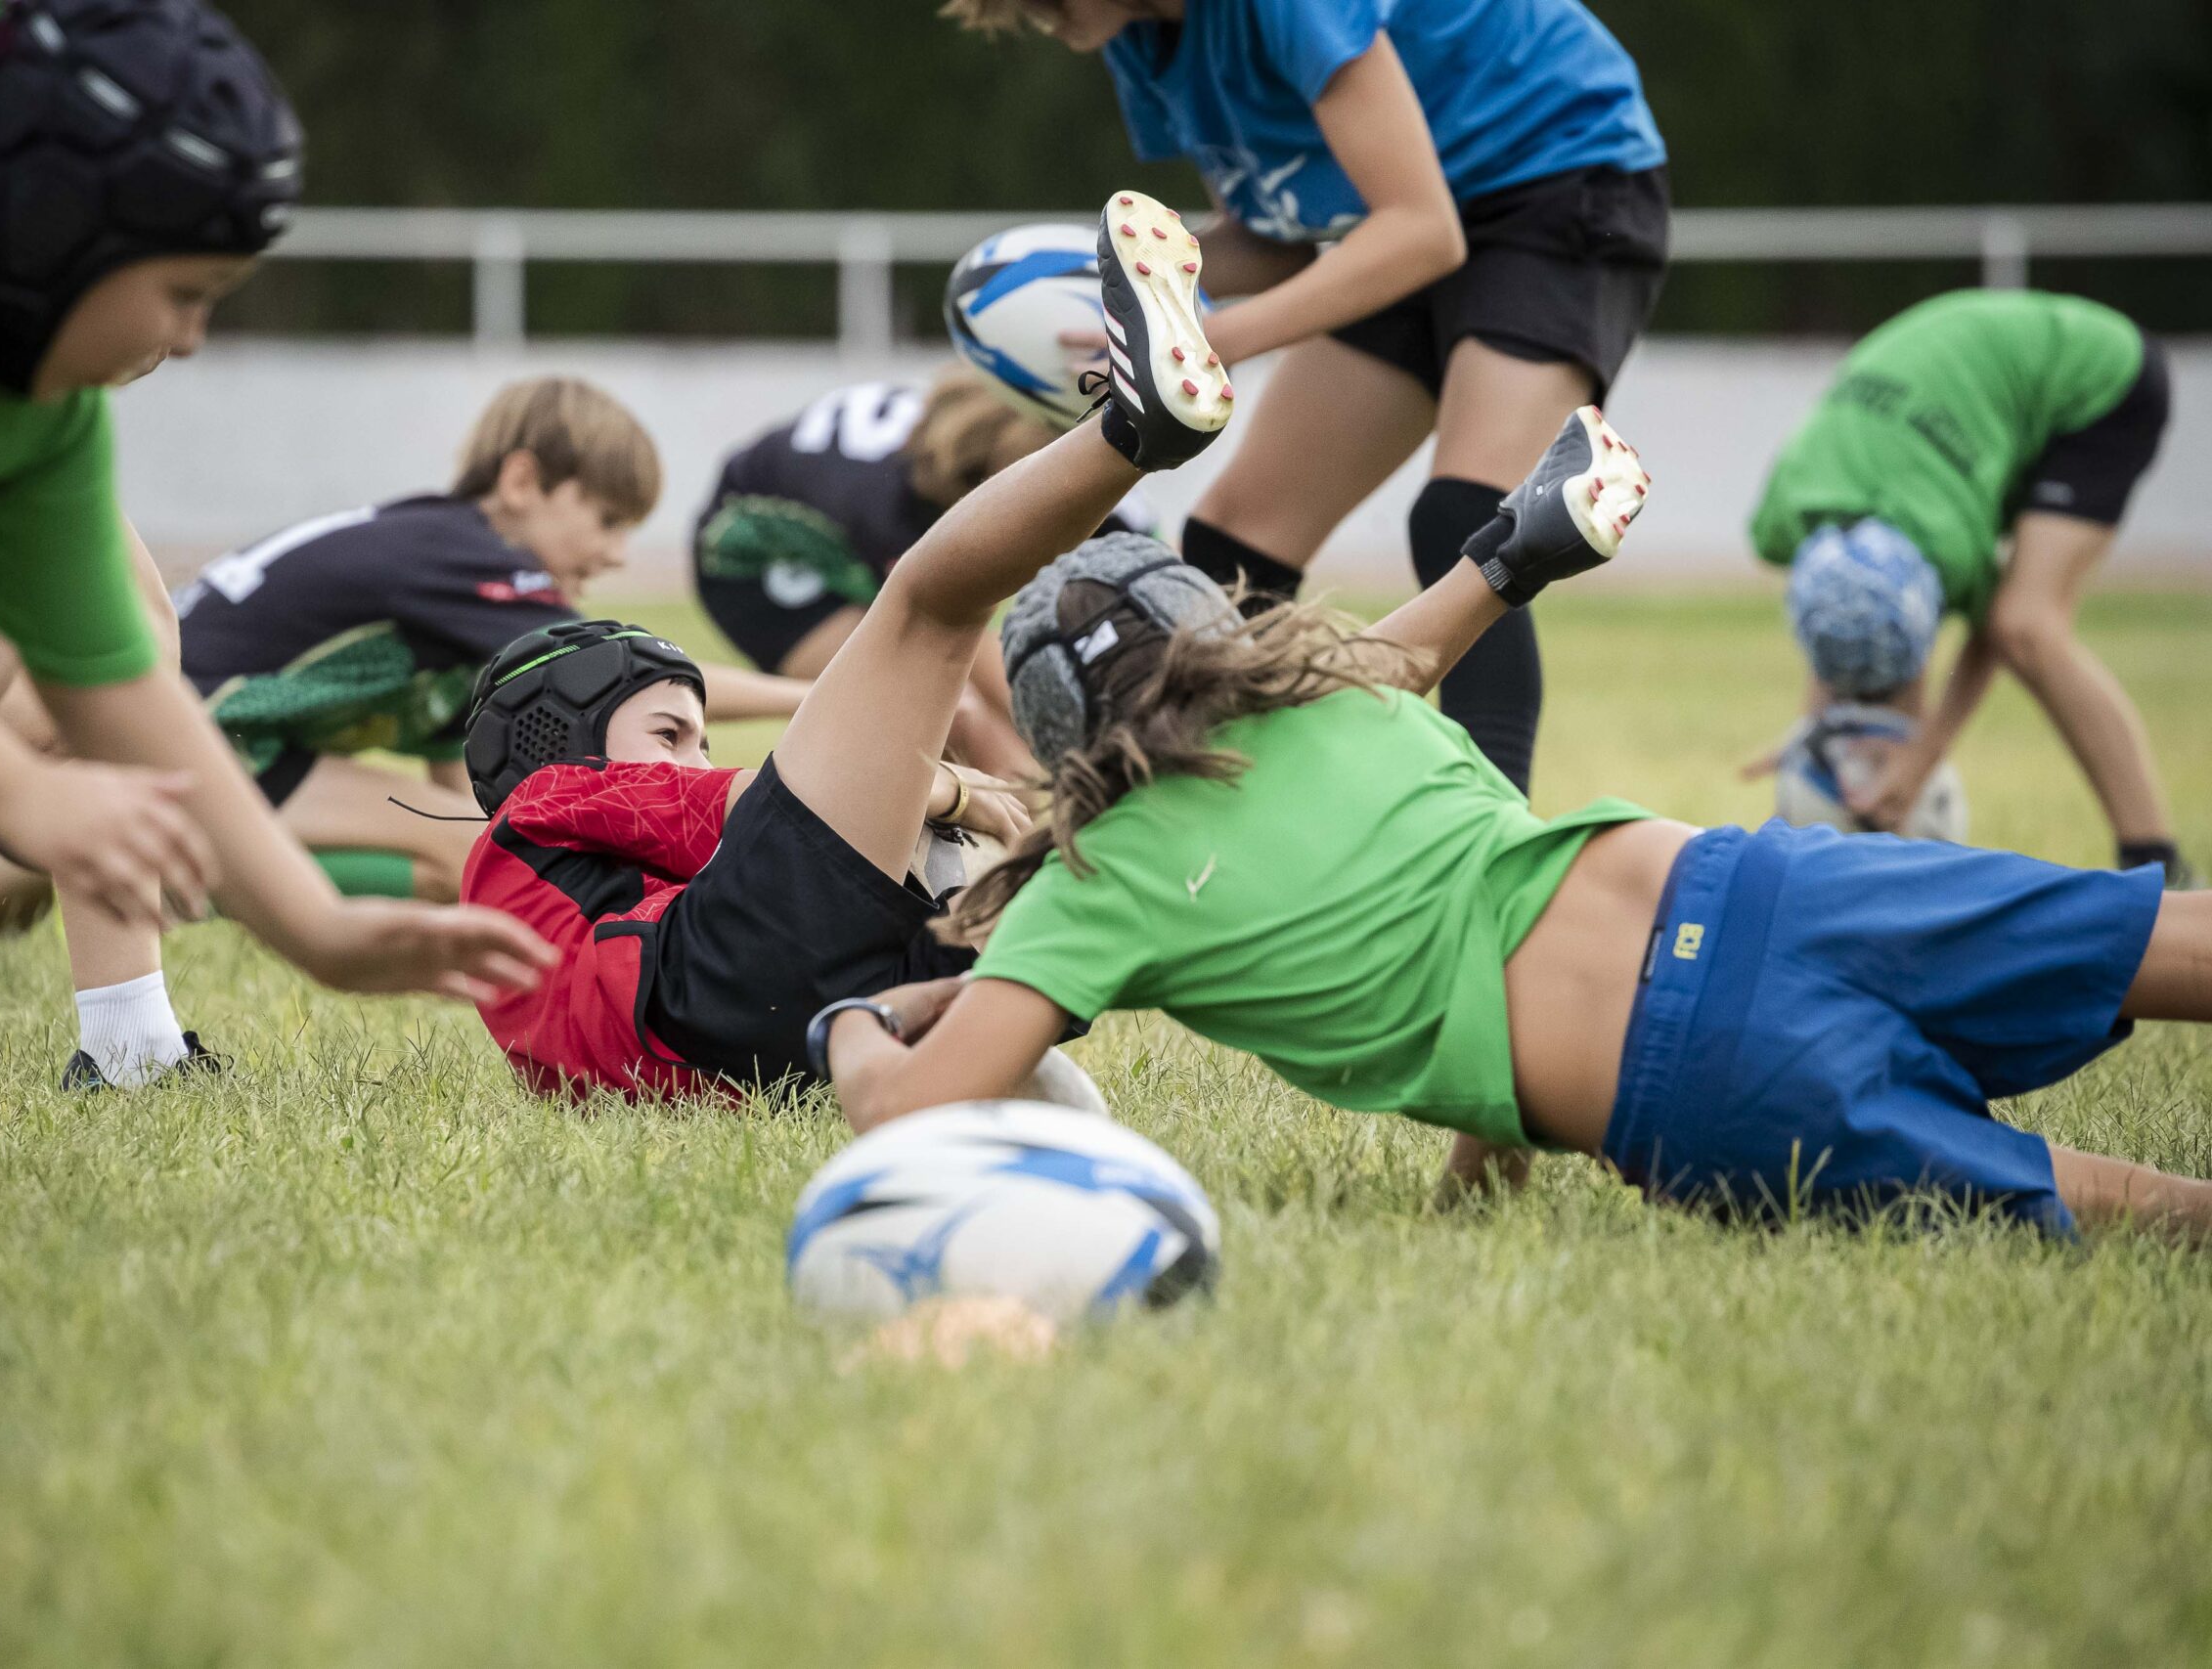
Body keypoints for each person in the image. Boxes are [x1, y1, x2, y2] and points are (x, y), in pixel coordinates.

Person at [817, 409, 2212, 1246]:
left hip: (1703, 1075)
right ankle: (1516, 541)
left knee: (2123, 1203)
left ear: (1066, 743)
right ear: (1214, 629)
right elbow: (1461, 868)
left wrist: (854, 1024)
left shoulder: (1097, 879)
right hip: (1755, 880)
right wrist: (1501, 560)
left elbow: (917, 1111)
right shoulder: (1344, 702)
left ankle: (1516, 545)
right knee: (2158, 936)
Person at [0, 0, 551, 1243]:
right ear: (60, 220)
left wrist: (316, 930)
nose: (194, 340)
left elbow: (129, 696)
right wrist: (18, 788)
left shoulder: (24, 412)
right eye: (186, 291)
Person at [462, 190, 1229, 1100]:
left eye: (696, 740)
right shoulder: (544, 799)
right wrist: (948, 786)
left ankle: (1057, 942)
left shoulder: (575, 923)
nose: (695, 757)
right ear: (563, 736)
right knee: (928, 607)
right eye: (671, 733)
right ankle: (1131, 432)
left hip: (775, 1041)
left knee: (967, 899)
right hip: (714, 977)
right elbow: (732, 803)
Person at [0, 376, 809, 960]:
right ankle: (598, 982)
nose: (618, 551)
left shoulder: (434, 557)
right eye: (606, 518)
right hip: (202, 725)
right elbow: (634, 673)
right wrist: (819, 699)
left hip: (178, 706)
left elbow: (467, 767)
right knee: (471, 854)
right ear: (526, 481)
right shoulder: (478, 561)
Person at [943, 0, 1668, 798]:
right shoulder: (1141, 41)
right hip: (1400, 217)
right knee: (1232, 543)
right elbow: (1278, 239)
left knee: (1463, 518)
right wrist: (1130, 291)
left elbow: (1423, 231)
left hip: (1555, 171)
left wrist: (1209, 338)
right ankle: (1257, 817)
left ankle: (1500, 860)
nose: (1025, 15)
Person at [1747, 289, 2190, 885]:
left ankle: (2158, 862)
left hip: (2099, 378)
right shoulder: (1785, 512)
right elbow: (1840, 612)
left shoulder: (1946, 536)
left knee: (2026, 625)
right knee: (1893, 644)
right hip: (1951, 410)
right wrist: (1817, 734)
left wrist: (1919, 761)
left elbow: (1990, 631)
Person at [695, 368, 1153, 775]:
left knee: (993, 720)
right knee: (952, 716)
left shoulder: (968, 428)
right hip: (759, 567)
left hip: (844, 519)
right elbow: (953, 628)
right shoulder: (887, 506)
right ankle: (1027, 839)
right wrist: (1084, 744)